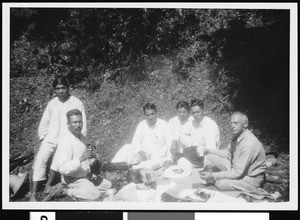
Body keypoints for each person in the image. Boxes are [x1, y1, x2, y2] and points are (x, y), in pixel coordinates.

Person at [30, 76, 87, 201]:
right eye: (58, 89)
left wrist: (80, 139)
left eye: (63, 88)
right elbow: (45, 122)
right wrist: (42, 138)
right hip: (51, 137)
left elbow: (81, 123)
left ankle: (48, 185)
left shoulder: (76, 102)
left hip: (67, 138)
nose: (61, 91)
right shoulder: (52, 103)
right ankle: (33, 193)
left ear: (68, 88)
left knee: (57, 160)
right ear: (54, 90)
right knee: (40, 159)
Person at [199, 111, 267, 191]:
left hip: (250, 178)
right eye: (231, 123)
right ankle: (209, 181)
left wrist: (213, 175)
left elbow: (237, 172)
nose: (232, 126)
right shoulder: (237, 136)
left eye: (236, 123)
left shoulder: (249, 144)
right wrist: (210, 151)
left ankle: (212, 181)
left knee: (221, 184)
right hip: (236, 168)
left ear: (245, 124)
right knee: (209, 157)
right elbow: (227, 153)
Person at [56, 109, 111, 200]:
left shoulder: (81, 137)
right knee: (96, 195)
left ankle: (88, 187)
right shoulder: (65, 141)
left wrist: (91, 161)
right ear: (68, 124)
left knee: (108, 185)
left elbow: (86, 160)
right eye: (74, 122)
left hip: (86, 176)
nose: (78, 125)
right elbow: (62, 168)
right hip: (73, 179)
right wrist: (81, 159)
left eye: (80, 122)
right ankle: (66, 190)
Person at [111, 103, 172, 171]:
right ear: (145, 116)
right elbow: (135, 142)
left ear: (156, 113)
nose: (151, 117)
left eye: (152, 114)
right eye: (148, 115)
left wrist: (169, 160)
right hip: (142, 155)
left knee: (147, 167)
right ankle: (111, 166)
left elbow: (170, 145)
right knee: (127, 147)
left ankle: (129, 169)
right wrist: (140, 152)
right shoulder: (142, 125)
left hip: (157, 159)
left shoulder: (164, 125)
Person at [180, 99, 220, 168]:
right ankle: (195, 162)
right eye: (193, 113)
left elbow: (210, 149)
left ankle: (201, 164)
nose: (195, 115)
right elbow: (180, 130)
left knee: (183, 162)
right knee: (181, 161)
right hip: (196, 153)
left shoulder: (210, 125)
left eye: (197, 112)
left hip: (207, 156)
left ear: (203, 110)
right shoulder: (193, 122)